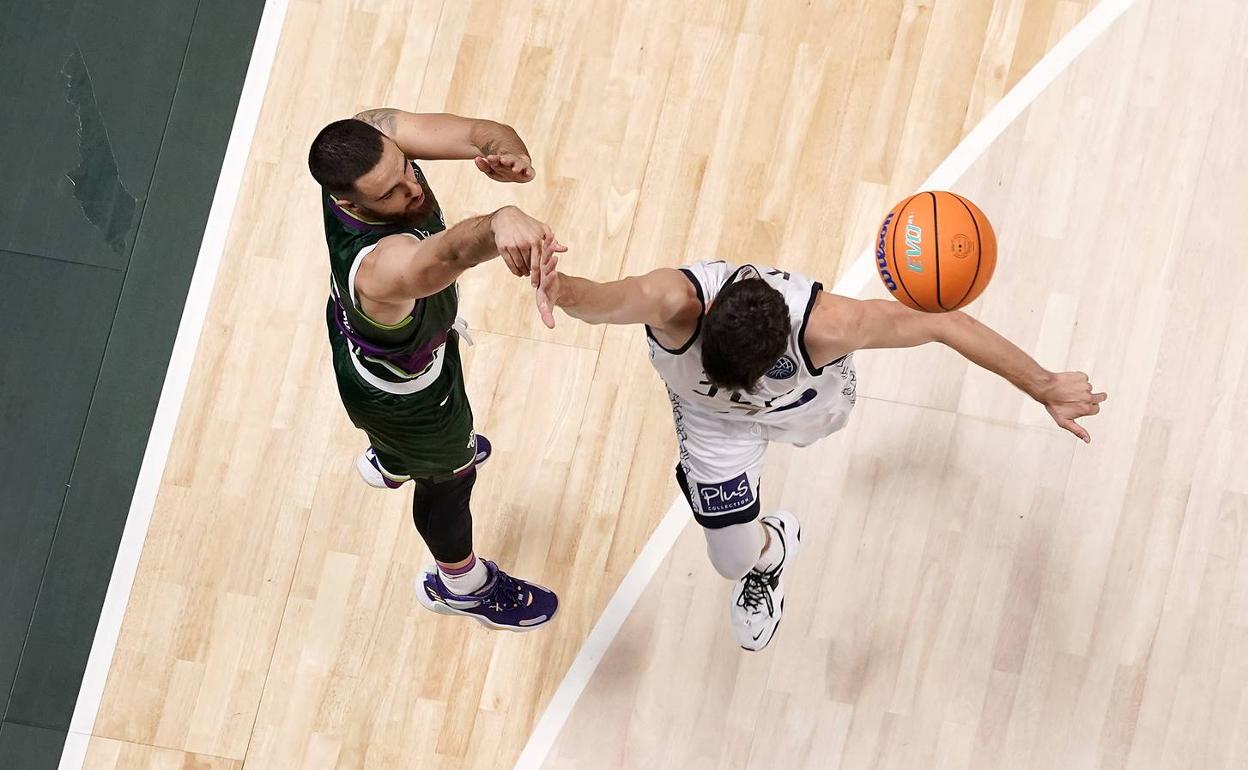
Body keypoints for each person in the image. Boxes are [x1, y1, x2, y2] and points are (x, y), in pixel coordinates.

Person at [534, 255, 1106, 650]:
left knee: (820, 430)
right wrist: (554, 286)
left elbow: (944, 323)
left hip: (808, 405)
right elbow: (604, 300)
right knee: (729, 561)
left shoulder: (831, 325)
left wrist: (1044, 384)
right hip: (713, 425)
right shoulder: (670, 299)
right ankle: (774, 548)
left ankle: (767, 482)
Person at [307, 108, 565, 631]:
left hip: (377, 344)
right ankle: (461, 586)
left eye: (406, 167)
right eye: (389, 194)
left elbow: (476, 134)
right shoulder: (384, 268)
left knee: (425, 450)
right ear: (348, 203)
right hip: (408, 397)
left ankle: (392, 460)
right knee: (451, 480)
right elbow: (451, 251)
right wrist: (498, 223)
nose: (410, 188)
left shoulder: (369, 139)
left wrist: (505, 146)